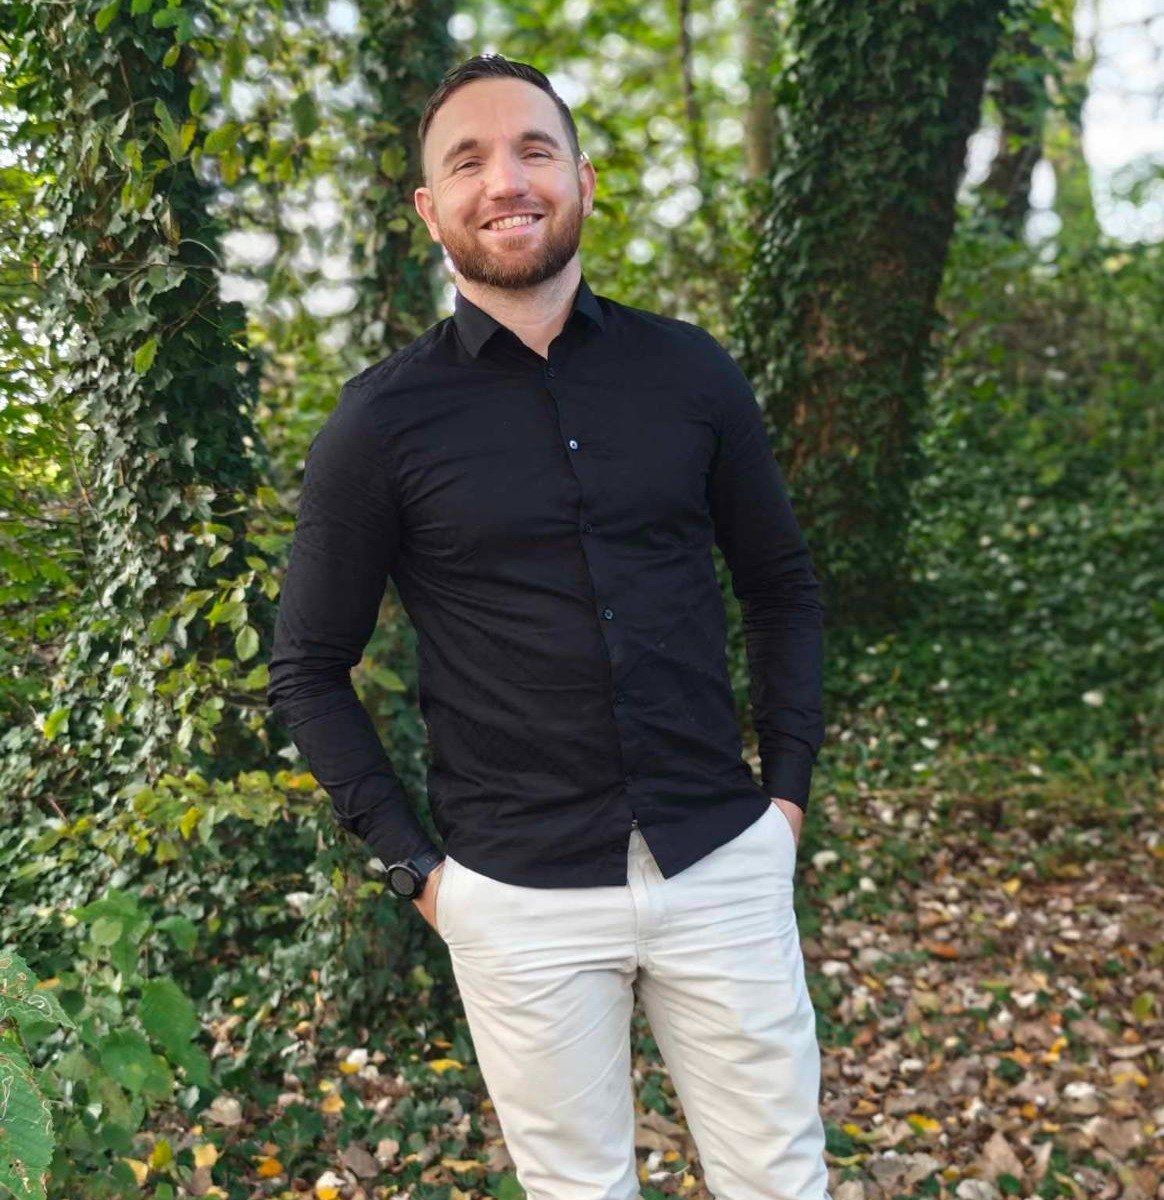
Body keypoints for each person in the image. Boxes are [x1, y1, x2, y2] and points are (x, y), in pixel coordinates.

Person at [267, 51, 832, 1200]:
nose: (505, 180)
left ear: (582, 178)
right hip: (517, 898)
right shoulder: (378, 424)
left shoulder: (692, 373)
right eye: (467, 161)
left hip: (722, 859)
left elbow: (781, 584)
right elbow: (309, 670)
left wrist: (786, 798)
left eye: (534, 149)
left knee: (781, 1179)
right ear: (430, 208)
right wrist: (421, 876)